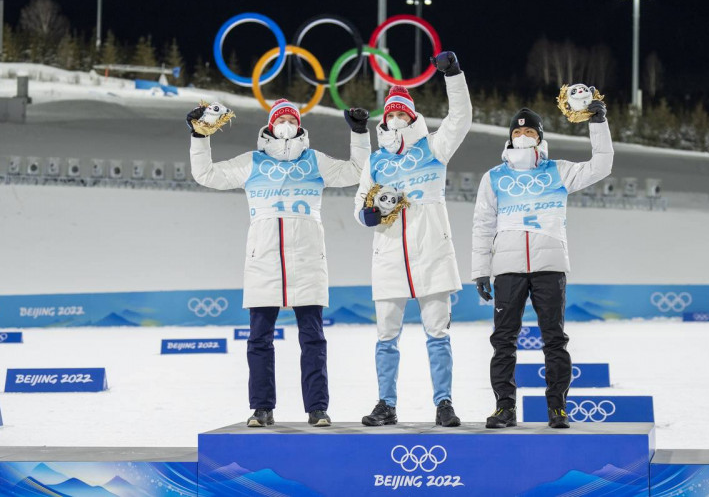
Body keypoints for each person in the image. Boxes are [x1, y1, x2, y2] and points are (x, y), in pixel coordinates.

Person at [187, 99, 371, 427]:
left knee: (312, 338)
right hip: (264, 260)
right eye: (280, 118)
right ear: (270, 126)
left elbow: (358, 171)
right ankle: (262, 408)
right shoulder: (252, 162)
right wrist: (200, 136)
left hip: (308, 260)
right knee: (259, 339)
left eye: (291, 119)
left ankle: (317, 409)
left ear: (299, 126)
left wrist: (359, 133)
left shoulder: (314, 161)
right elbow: (206, 174)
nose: (285, 123)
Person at [471, 101, 613, 429]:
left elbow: (601, 165)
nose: (522, 135)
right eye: (517, 131)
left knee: (554, 338)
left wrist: (598, 124)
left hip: (549, 264)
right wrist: (480, 269)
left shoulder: (558, 170)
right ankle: (504, 408)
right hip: (507, 267)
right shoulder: (493, 177)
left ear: (539, 137)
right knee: (503, 340)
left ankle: (557, 407)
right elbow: (482, 224)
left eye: (529, 131)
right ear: (509, 137)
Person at [354, 51, 472, 427]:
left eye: (402, 113)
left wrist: (453, 75)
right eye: (391, 113)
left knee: (437, 333)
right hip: (389, 255)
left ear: (413, 116)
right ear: (384, 118)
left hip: (432, 251)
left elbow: (461, 119)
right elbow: (359, 205)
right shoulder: (375, 161)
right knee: (386, 336)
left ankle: (444, 403)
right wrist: (366, 215)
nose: (396, 118)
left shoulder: (433, 147)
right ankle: (385, 404)